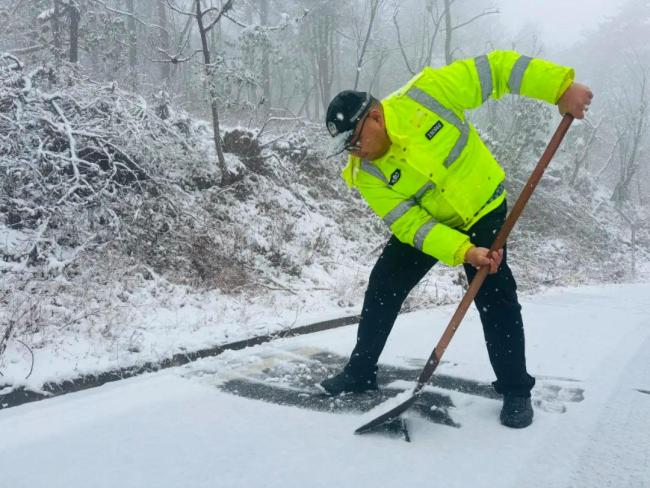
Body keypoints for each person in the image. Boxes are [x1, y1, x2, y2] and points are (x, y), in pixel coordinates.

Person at [321, 50, 593, 428]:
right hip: (435, 221)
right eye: (346, 148)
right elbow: (411, 225)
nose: (353, 153)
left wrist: (559, 87)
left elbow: (497, 70)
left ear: (376, 118)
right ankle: (359, 372)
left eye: (353, 142)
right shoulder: (364, 172)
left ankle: (516, 389)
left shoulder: (427, 92)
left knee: (494, 294)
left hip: (483, 206)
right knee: (384, 282)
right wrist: (463, 251)